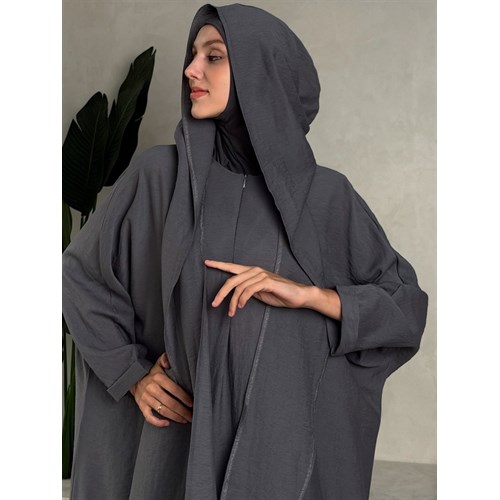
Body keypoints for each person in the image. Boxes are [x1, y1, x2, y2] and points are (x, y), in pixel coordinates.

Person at [62, 3, 428, 499]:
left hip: (278, 458)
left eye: (214, 57)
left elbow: (405, 307)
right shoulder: (159, 178)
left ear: (262, 74)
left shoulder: (327, 198)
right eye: (193, 55)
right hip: (177, 451)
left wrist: (312, 296)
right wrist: (131, 374)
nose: (191, 70)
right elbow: (79, 276)